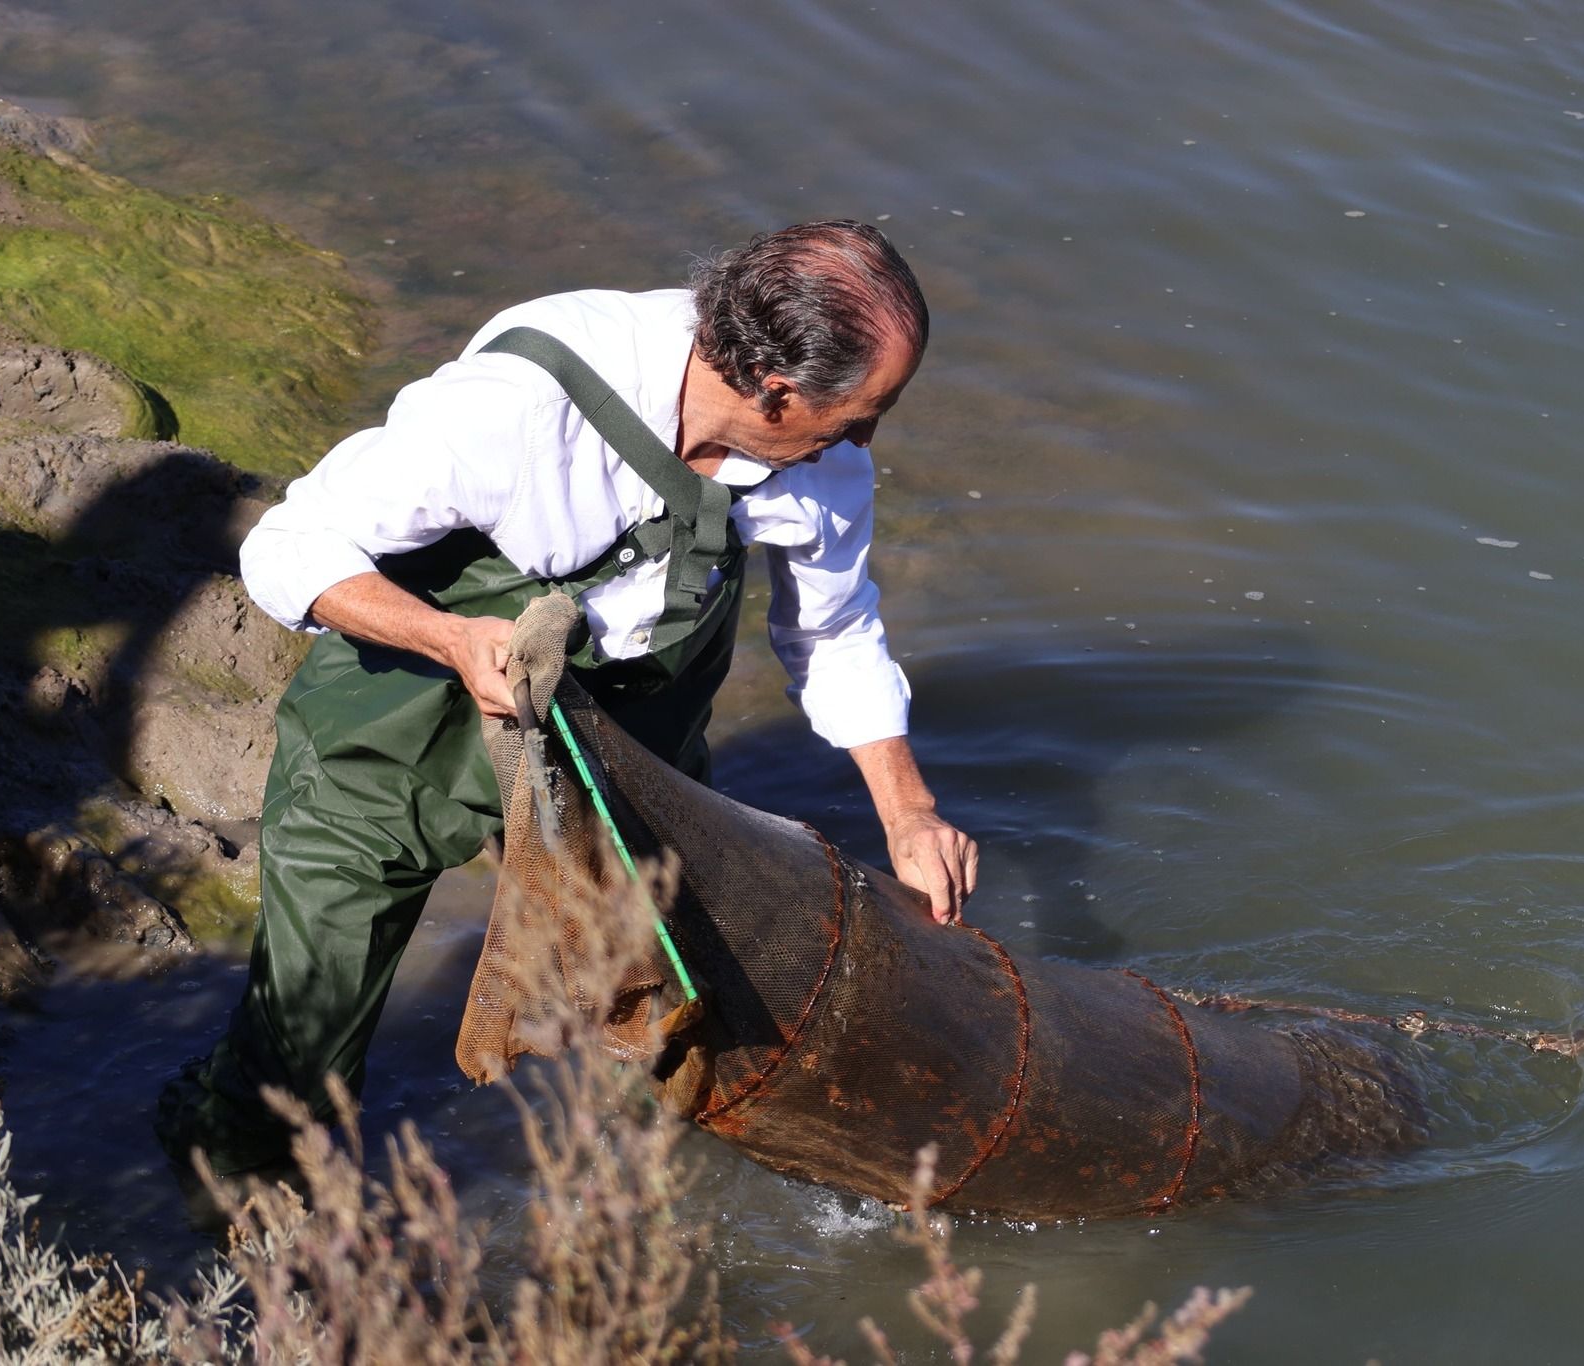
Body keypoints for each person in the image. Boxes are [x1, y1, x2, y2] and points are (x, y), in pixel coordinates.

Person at [156, 219, 979, 1178]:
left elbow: (833, 630)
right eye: (863, 412)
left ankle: (637, 1188)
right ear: (776, 389)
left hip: (631, 746)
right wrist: (450, 637)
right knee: (308, 1016)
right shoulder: (520, 403)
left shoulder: (822, 462)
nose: (867, 437)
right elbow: (289, 548)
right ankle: (234, 1169)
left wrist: (909, 812)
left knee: (669, 995)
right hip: (406, 720)